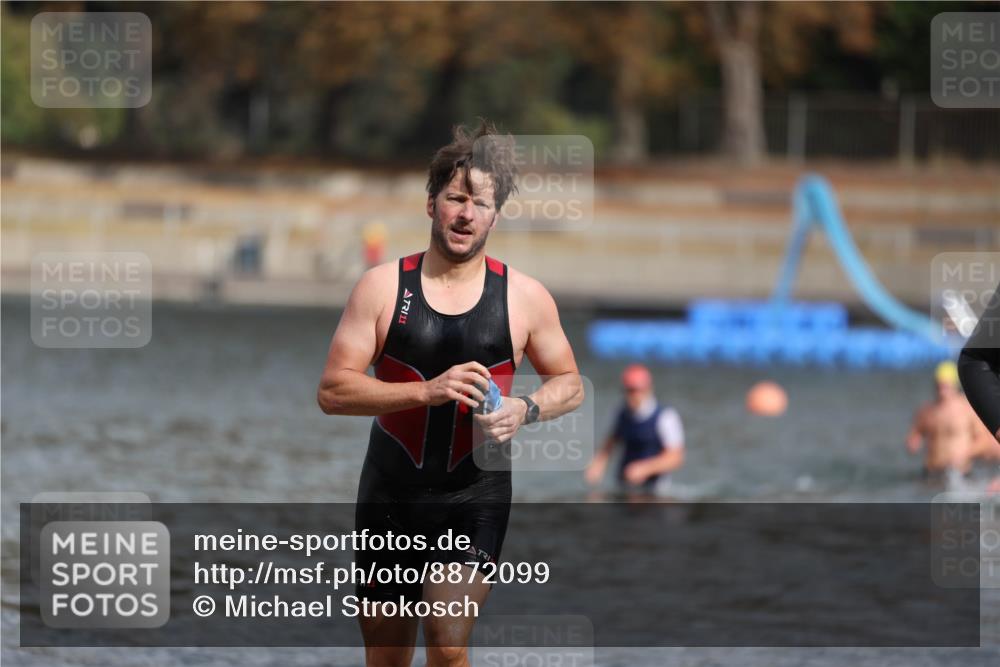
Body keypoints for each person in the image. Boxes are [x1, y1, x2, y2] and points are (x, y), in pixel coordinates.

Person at [317, 121, 584, 667]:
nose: (465, 213)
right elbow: (333, 391)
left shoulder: (526, 298)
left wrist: (524, 408)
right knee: (387, 659)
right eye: (455, 198)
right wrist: (426, 392)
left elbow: (571, 384)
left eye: (479, 203)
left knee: (448, 638)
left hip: (474, 495)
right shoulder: (382, 287)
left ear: (495, 215)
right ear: (432, 204)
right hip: (389, 495)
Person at [584, 363, 685, 495]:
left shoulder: (666, 417)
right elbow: (610, 443)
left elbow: (676, 457)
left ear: (648, 389)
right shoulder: (622, 414)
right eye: (627, 390)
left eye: (635, 390)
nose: (631, 396)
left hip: (654, 489)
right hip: (624, 486)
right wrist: (598, 465)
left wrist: (644, 469)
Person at [906, 361, 990, 477]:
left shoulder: (968, 409)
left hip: (959, 474)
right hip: (931, 472)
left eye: (945, 386)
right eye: (938, 386)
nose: (941, 391)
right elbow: (915, 434)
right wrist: (913, 441)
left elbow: (984, 442)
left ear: (954, 385)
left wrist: (965, 453)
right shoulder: (927, 411)